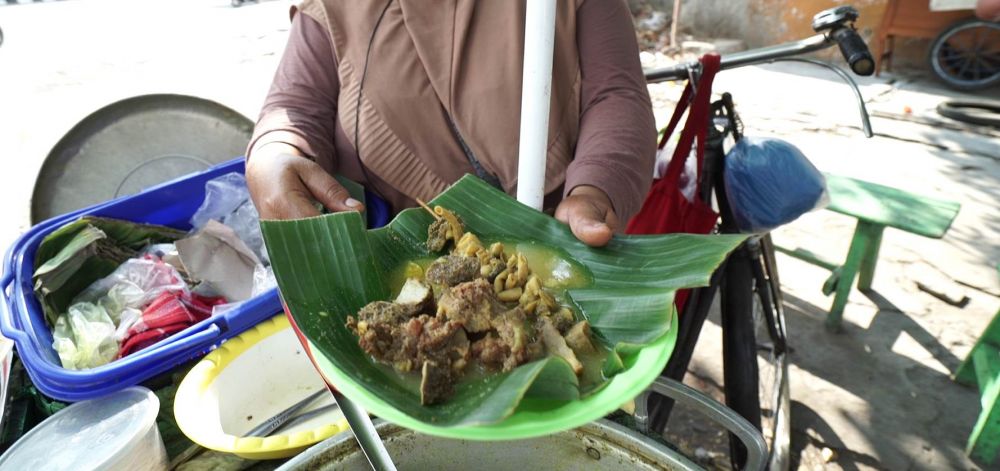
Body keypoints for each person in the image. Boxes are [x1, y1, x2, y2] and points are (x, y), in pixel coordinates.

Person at [245, 0, 655, 248]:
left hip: (551, 251)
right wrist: (274, 153)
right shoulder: (336, 10)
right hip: (392, 276)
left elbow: (614, 93)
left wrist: (594, 189)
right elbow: (293, 109)